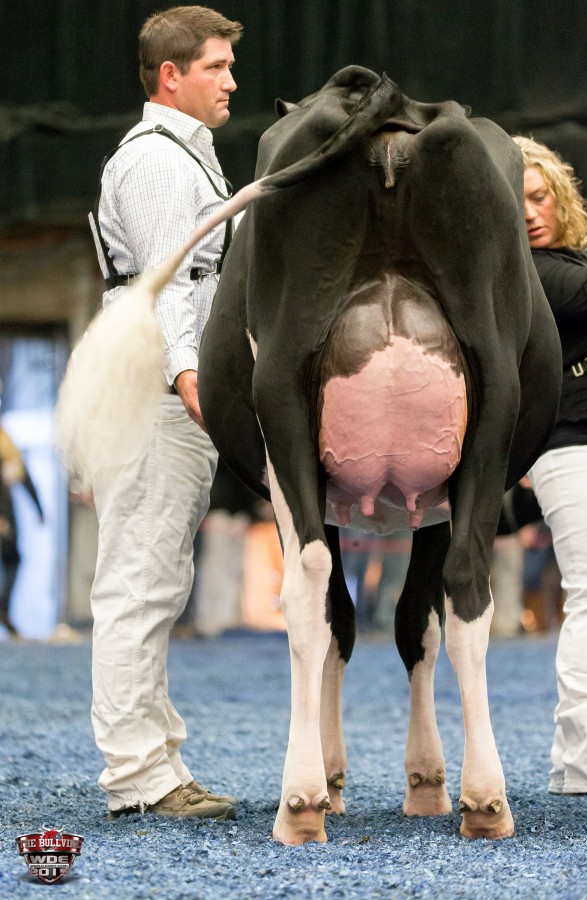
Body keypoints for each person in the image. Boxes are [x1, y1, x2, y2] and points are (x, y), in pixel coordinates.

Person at [89, 6, 242, 819]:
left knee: (157, 579)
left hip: (164, 386)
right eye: (216, 66)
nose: (232, 81)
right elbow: (167, 277)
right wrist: (188, 369)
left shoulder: (188, 155)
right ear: (171, 75)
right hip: (155, 385)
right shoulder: (154, 159)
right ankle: (137, 777)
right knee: (139, 584)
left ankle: (157, 763)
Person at [513, 135, 587, 796]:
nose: (529, 213)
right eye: (514, 206)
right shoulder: (524, 271)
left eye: (539, 197)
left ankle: (575, 765)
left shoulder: (585, 252)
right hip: (570, 441)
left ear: (560, 194)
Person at [0, 422, 44, 637]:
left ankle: (4, 609)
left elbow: (26, 481)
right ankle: (3, 610)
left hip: (7, 517)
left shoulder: (8, 448)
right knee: (12, 562)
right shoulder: (7, 447)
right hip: (4, 517)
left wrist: (40, 510)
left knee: (12, 561)